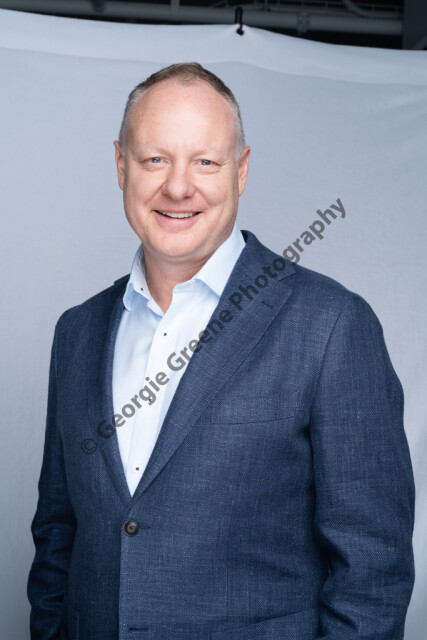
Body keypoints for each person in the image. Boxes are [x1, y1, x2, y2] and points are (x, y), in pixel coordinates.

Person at [27, 62, 415, 640]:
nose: (178, 186)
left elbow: (372, 574)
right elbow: (58, 537)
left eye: (205, 162)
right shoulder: (77, 333)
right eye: (155, 159)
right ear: (121, 166)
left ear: (241, 170)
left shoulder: (332, 326)